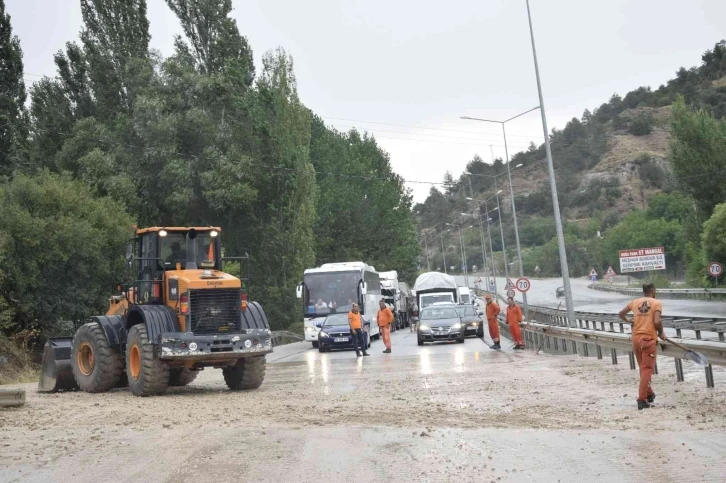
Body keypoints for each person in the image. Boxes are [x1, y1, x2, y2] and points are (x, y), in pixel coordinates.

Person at [618, 282, 666, 410]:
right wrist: (661, 332)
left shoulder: (635, 302)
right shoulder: (656, 303)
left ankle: (649, 393)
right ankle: (642, 399)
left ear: (643, 291)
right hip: (648, 339)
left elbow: (621, 313)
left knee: (643, 368)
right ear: (653, 290)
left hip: (636, 339)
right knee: (646, 370)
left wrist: (629, 320)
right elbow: (657, 321)